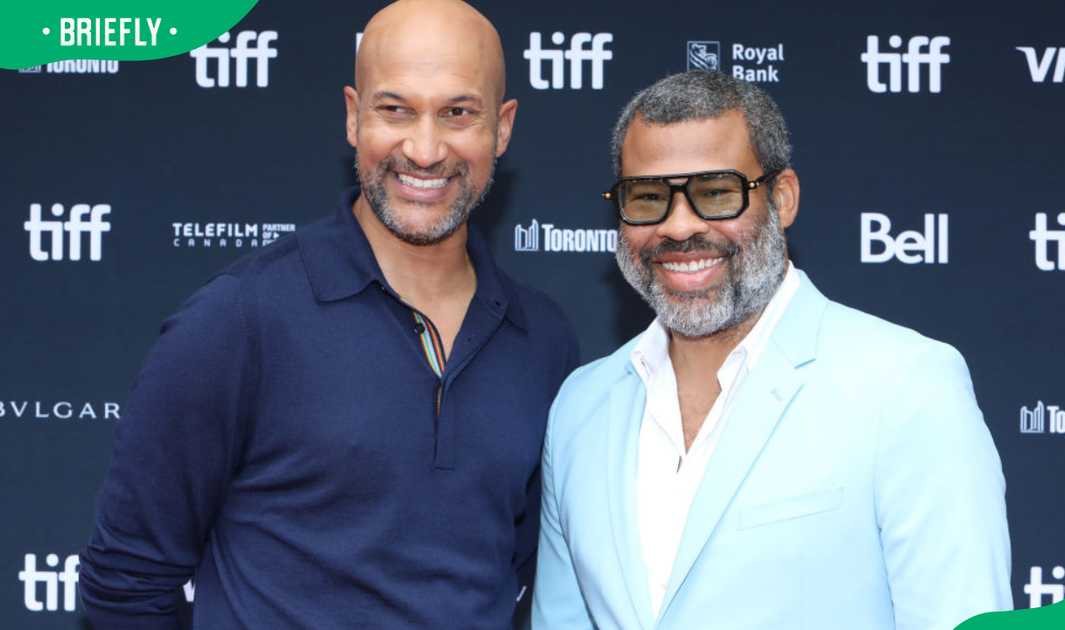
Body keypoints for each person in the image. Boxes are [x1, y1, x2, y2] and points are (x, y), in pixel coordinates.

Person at [80, 1, 578, 628]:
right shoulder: (238, 320)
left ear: (501, 129)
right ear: (352, 116)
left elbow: (533, 581)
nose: (424, 150)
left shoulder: (543, 340)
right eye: (395, 109)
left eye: (458, 113)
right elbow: (127, 582)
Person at [531, 70, 1011, 630]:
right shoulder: (580, 408)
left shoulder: (907, 385)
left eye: (715, 193)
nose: (679, 226)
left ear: (782, 199)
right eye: (649, 197)